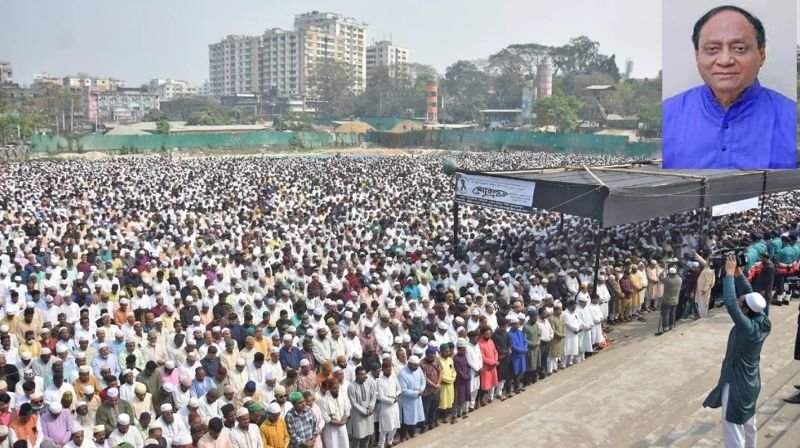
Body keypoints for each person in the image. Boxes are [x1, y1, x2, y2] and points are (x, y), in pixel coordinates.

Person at [662, 5, 797, 169]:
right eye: (712, 49)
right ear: (697, 54)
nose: (725, 60)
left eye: (739, 49)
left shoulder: (790, 117)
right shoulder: (667, 115)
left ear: (761, 54)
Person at [703, 255, 771, 447]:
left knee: (733, 427)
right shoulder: (763, 321)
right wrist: (740, 274)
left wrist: (730, 275)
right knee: (749, 424)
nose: (741, 299)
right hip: (751, 382)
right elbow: (749, 295)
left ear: (746, 310)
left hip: (736, 384)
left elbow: (731, 303)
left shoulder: (747, 328)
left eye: (744, 302)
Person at [346, 366, 376, 448]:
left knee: (367, 435)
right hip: (358, 416)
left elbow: (373, 395)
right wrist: (365, 411)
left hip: (369, 413)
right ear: (356, 375)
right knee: (358, 436)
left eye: (365, 374)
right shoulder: (351, 386)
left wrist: (371, 407)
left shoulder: (369, 382)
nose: (365, 376)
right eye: (362, 374)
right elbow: (354, 403)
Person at [374, 360, 400, 448]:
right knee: (385, 427)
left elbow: (399, 389)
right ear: (383, 369)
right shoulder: (379, 380)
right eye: (387, 370)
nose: (389, 371)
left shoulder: (394, 376)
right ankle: (381, 444)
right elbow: (381, 396)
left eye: (390, 370)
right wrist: (392, 400)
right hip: (386, 407)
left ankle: (389, 442)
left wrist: (396, 395)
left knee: (395, 425)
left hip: (395, 406)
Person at [657, 268, 683, 335]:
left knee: (666, 315)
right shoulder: (680, 279)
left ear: (669, 273)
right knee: (672, 314)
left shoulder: (667, 280)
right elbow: (678, 275)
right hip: (675, 300)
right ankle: (672, 325)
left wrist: (664, 270)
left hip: (667, 300)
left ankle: (666, 327)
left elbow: (660, 277)